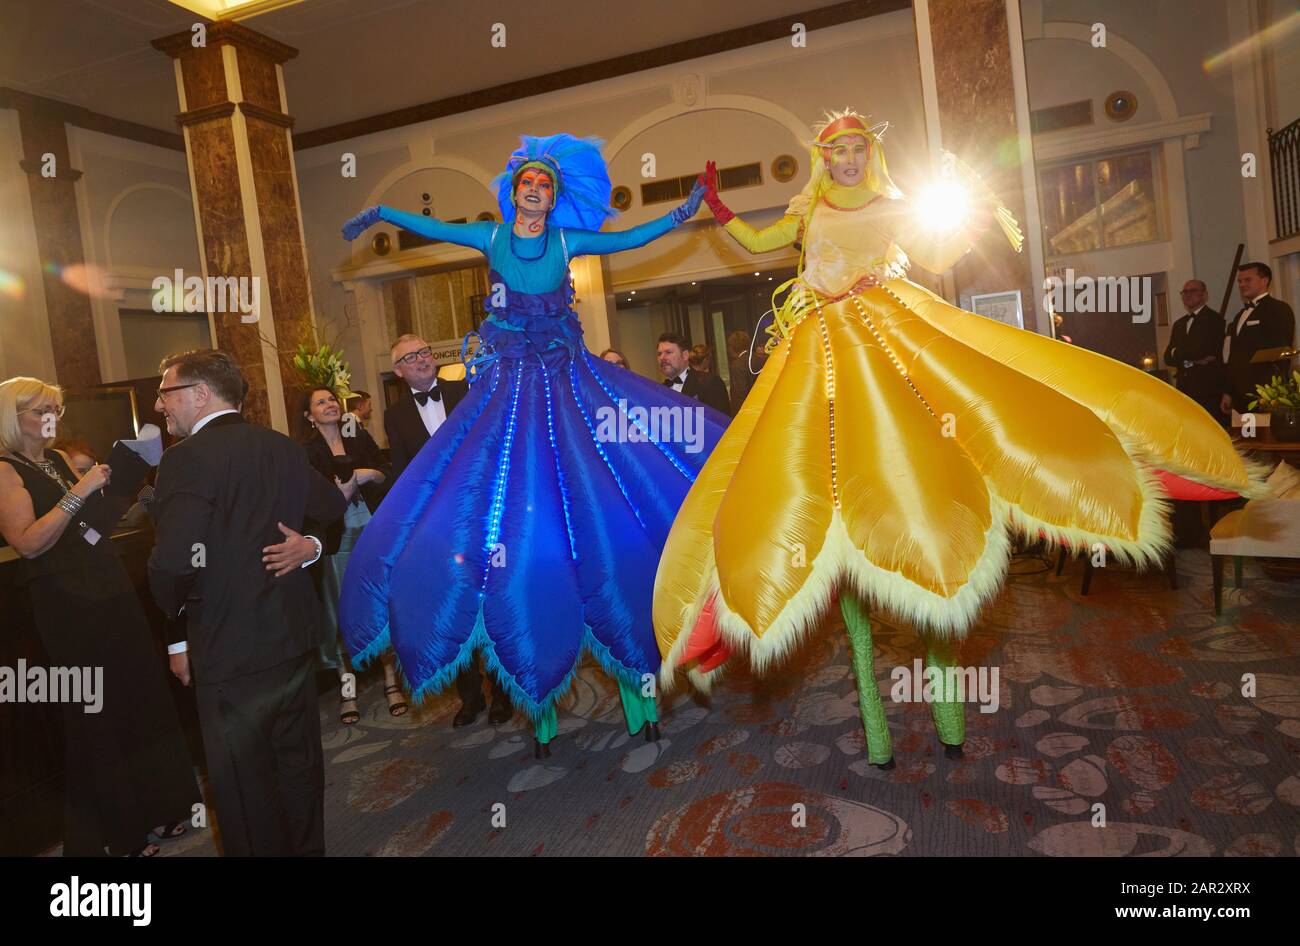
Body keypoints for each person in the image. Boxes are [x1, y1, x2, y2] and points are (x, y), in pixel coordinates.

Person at [653, 111, 1264, 770]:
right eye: (836, 151)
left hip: (889, 345)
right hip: (816, 360)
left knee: (931, 503)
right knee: (833, 540)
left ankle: (948, 719)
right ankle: (877, 734)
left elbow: (939, 257)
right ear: (824, 158)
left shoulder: (893, 205)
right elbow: (758, 237)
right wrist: (717, 208)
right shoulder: (809, 210)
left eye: (856, 149)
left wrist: (972, 210)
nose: (847, 160)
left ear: (870, 154)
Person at [339, 132, 726, 756]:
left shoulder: (568, 240)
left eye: (546, 186)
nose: (537, 193)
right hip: (511, 392)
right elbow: (434, 229)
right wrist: (382, 212)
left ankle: (640, 700)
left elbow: (629, 239)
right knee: (515, 520)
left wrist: (682, 214)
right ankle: (540, 718)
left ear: (555, 197)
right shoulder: (491, 237)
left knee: (608, 508)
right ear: (514, 192)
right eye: (529, 184)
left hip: (570, 383)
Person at [147, 349, 346, 856]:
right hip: (291, 640)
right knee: (298, 769)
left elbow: (172, 565)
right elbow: (330, 509)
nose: (158, 406)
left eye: (165, 393)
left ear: (199, 394)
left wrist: (175, 633)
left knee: (241, 786)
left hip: (229, 649)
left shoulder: (184, 459)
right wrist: (314, 547)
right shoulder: (279, 446)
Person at [0, 377, 198, 857]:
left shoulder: (55, 460)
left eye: (56, 410)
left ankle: (162, 809)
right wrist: (82, 489)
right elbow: (28, 542)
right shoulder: (5, 470)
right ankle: (117, 835)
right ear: (12, 416)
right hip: (66, 606)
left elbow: (89, 527)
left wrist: (120, 484)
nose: (52, 419)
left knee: (137, 697)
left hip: (106, 586)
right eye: (41, 410)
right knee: (97, 714)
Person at [383, 333, 511, 726]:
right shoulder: (395, 416)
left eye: (424, 352)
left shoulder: (467, 389)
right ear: (399, 371)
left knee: (489, 606)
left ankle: (503, 694)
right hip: (435, 530)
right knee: (452, 608)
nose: (422, 359)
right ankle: (470, 697)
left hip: (481, 516)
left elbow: (494, 443)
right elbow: (405, 474)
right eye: (411, 357)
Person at [301, 387, 396, 724]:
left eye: (331, 400)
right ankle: (347, 689)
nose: (329, 405)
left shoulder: (358, 437)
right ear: (309, 416)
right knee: (341, 607)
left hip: (373, 528)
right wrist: (337, 492)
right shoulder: (306, 452)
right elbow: (306, 501)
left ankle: (391, 680)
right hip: (336, 534)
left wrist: (369, 474)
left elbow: (387, 472)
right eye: (320, 402)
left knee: (378, 601)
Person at [1221, 261, 1296, 416]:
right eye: (1240, 281)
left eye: (1247, 280)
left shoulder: (1279, 309)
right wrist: (1228, 391)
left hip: (1265, 394)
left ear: (1264, 281)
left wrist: (1272, 393)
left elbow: (1281, 352)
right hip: (1239, 395)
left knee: (1266, 438)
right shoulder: (1239, 315)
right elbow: (1233, 356)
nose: (1242, 285)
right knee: (1245, 439)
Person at [1162, 279, 1224, 423]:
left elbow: (1201, 351)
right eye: (1184, 292)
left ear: (1204, 295)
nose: (1187, 295)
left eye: (1193, 291)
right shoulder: (1179, 324)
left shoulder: (1214, 319)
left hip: (1207, 387)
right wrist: (1191, 358)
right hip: (1184, 386)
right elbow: (1167, 357)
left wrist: (1178, 353)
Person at [657, 332, 731, 416]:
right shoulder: (659, 391)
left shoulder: (710, 382)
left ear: (685, 355)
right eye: (659, 354)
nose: (662, 358)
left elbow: (722, 423)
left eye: (668, 352)